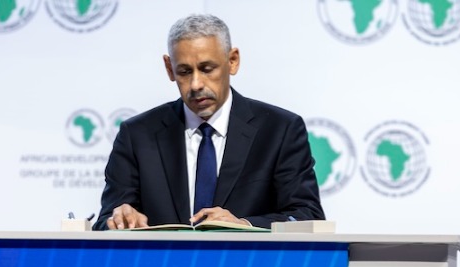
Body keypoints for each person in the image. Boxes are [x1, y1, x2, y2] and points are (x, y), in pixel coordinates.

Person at [93, 13, 325, 230]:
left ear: (232, 61)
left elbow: (307, 215)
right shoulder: (137, 135)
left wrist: (244, 225)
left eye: (207, 69)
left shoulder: (279, 130)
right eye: (184, 72)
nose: (196, 84)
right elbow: (105, 222)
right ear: (169, 68)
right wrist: (120, 220)